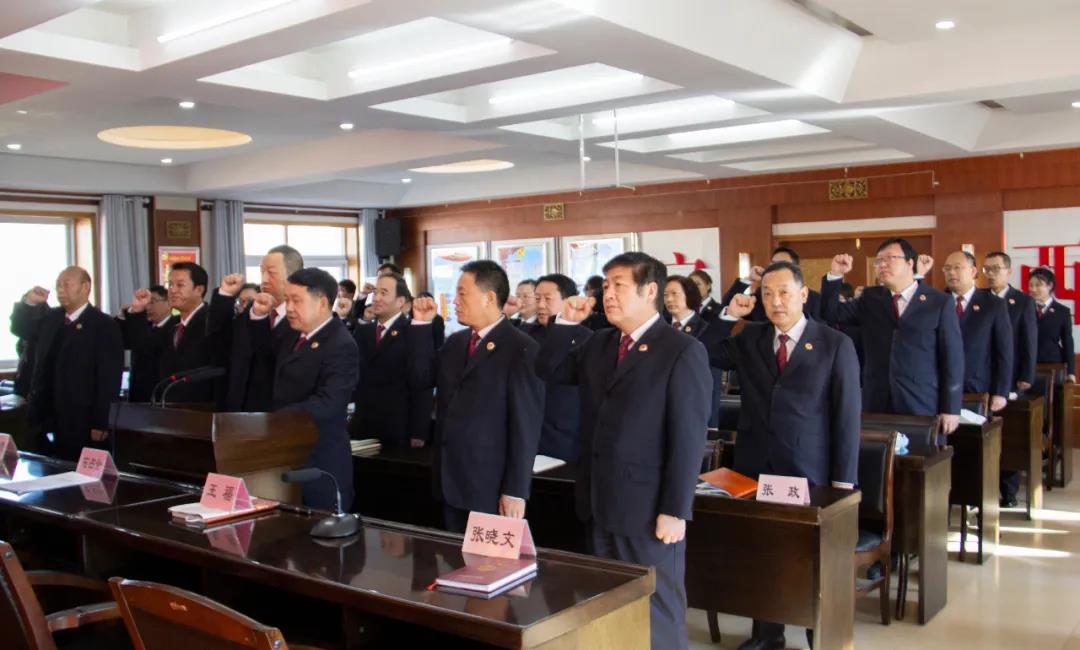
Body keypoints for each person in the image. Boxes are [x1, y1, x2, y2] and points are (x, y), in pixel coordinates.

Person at [540, 252, 710, 650]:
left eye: (618, 285)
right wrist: (566, 324)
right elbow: (548, 369)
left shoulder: (681, 350)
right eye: (605, 286)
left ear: (650, 291)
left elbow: (688, 437)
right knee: (607, 607)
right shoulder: (598, 343)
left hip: (648, 508)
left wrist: (676, 509)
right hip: (598, 500)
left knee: (657, 611)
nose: (608, 294)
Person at [708, 261, 860, 650]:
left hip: (811, 470)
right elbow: (704, 350)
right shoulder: (751, 338)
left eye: (784, 293)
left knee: (812, 557)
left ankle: (819, 636)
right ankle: (766, 634)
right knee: (763, 552)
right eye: (767, 294)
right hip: (757, 468)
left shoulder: (834, 343)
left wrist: (842, 482)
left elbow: (846, 416)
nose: (775, 302)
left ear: (803, 295)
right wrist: (728, 315)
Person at [409, 261, 544, 533]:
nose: (455, 301)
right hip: (450, 479)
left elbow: (525, 426)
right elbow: (420, 378)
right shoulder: (456, 343)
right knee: (452, 556)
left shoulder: (521, 348)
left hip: (490, 486)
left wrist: (516, 490)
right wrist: (421, 326)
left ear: (489, 298)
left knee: (486, 559)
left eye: (462, 294)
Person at [821, 238, 964, 434]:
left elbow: (952, 358)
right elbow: (831, 313)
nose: (882, 265)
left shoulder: (938, 302)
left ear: (910, 263)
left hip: (921, 402)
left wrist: (951, 408)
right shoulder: (871, 298)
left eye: (890, 259)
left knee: (923, 454)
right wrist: (836, 275)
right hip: (877, 401)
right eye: (879, 261)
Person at [249, 268, 358, 510]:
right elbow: (265, 355)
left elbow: (329, 403)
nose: (288, 308)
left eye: (296, 301)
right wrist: (258, 317)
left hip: (318, 459)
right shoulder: (293, 333)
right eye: (287, 299)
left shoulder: (341, 344)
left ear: (322, 303)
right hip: (284, 453)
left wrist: (275, 419)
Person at [9, 267, 123, 460]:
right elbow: (20, 328)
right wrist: (29, 302)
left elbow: (109, 378)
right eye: (58, 286)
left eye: (67, 285)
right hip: (44, 413)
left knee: (74, 468)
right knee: (44, 467)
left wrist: (101, 420)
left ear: (85, 287)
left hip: (80, 417)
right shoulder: (51, 318)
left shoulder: (103, 324)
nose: (61, 290)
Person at [124, 262, 232, 404]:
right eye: (170, 285)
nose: (173, 290)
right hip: (168, 406)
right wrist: (138, 310)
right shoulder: (171, 325)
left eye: (180, 285)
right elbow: (143, 347)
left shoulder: (212, 323)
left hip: (202, 408)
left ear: (199, 289)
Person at [216, 245, 305, 412]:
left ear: (293, 277)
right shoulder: (251, 312)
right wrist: (226, 295)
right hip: (239, 409)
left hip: (278, 413)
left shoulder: (303, 320)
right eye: (261, 272)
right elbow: (218, 340)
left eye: (271, 273)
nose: (264, 280)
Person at [350, 273, 430, 448]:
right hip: (364, 423)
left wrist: (419, 431)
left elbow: (421, 385)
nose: (376, 298)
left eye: (384, 293)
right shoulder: (364, 331)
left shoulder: (413, 332)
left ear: (400, 301)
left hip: (397, 426)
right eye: (375, 292)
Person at [985, 252, 1039, 507]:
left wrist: (1026, 375)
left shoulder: (1023, 301)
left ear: (1008, 271)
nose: (991, 274)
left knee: (1009, 436)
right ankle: (980, 489)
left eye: (996, 269)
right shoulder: (980, 299)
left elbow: (1029, 340)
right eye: (986, 269)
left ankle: (1008, 491)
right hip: (982, 376)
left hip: (1011, 376)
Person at [522, 273, 590, 461]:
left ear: (568, 301)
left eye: (548, 299)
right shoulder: (525, 334)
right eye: (537, 299)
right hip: (527, 431)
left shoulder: (586, 338)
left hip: (563, 435)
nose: (541, 305)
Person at [941, 251, 1013, 412]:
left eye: (957, 267)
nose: (951, 272)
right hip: (941, 386)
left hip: (978, 386)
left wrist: (1001, 392)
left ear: (973, 271)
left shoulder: (993, 304)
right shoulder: (936, 301)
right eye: (947, 268)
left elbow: (1004, 350)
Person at [665, 275, 722, 427]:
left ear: (690, 295)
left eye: (675, 294)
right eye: (665, 295)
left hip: (693, 408)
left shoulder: (706, 330)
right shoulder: (659, 328)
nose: (669, 299)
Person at [720, 247, 822, 321]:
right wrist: (749, 279)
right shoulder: (760, 295)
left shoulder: (813, 299)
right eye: (773, 264)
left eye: (782, 264)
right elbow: (728, 304)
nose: (776, 268)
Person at [120, 285, 173, 403]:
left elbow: (147, 346)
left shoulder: (175, 326)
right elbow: (123, 340)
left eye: (152, 302)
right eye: (146, 303)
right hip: (137, 394)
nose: (147, 307)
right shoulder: (141, 327)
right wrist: (125, 315)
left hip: (160, 395)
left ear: (169, 303)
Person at [1029, 267, 1076, 382]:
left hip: (1053, 364)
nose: (1033, 289)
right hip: (1027, 365)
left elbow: (1068, 342)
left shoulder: (1062, 311)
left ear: (1050, 285)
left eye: (1038, 285)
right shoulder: (1024, 309)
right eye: (1031, 285)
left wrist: (1071, 372)